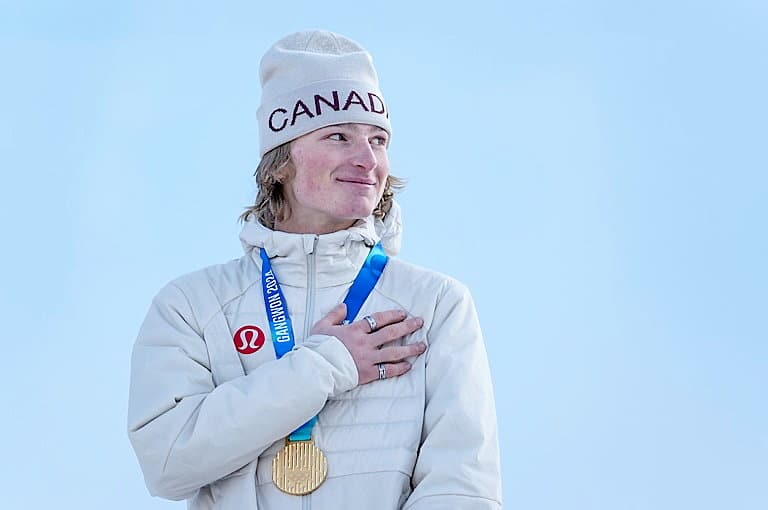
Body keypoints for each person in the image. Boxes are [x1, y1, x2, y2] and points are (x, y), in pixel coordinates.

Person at [128, 30, 501, 509]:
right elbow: (167, 464)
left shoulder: (435, 304)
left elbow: (462, 489)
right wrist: (327, 364)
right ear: (280, 160)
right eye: (339, 136)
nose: (368, 160)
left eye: (379, 140)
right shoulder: (193, 306)